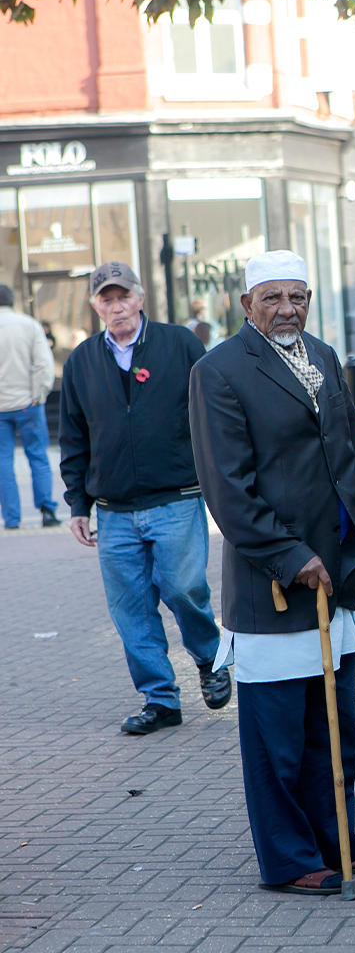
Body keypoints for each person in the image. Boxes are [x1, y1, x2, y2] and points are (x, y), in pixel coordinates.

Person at [188, 250, 355, 897]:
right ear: (246, 305)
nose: (287, 309)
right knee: (280, 741)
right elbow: (228, 488)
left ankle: (337, 843)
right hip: (274, 583)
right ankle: (291, 859)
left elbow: (352, 446)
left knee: (334, 730)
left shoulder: (323, 355)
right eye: (272, 298)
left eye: (297, 296)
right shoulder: (217, 371)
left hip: (337, 575)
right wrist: (291, 555)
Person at [59, 262, 227, 733]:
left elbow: (212, 414)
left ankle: (210, 658)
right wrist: (77, 505)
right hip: (113, 510)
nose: (116, 307)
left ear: (140, 298)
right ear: (96, 306)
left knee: (182, 589)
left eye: (123, 297)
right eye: (106, 300)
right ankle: (161, 700)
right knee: (131, 610)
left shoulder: (180, 345)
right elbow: (74, 437)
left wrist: (222, 480)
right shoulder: (82, 361)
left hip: (176, 496)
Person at [0, 283, 59, 530]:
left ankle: (11, 518)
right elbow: (43, 364)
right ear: (13, 300)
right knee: (37, 456)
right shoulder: (29, 325)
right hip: (28, 403)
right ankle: (46, 510)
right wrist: (39, 394)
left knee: (3, 461)